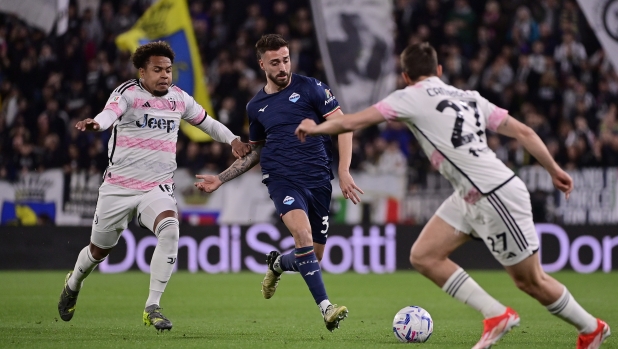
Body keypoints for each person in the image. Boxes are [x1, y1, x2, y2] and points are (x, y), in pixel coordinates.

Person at [294, 42, 610, 349]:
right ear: (439, 70)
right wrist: (554, 169)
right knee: (424, 255)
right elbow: (524, 132)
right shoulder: (470, 97)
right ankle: (496, 314)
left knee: (532, 281)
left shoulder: (409, 97)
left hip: (495, 193)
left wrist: (316, 127)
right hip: (471, 193)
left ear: (405, 76)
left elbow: (354, 121)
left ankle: (591, 328)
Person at [57, 41, 251, 332]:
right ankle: (73, 284)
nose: (164, 75)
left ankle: (152, 307)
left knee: (170, 229)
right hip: (118, 188)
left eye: (168, 70)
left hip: (156, 187)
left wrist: (233, 140)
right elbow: (109, 113)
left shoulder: (179, 99)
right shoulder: (128, 93)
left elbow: (207, 123)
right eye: (157, 70)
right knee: (98, 252)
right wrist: (97, 124)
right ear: (142, 72)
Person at [194, 34, 363, 332]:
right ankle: (326, 308)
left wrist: (345, 170)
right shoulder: (255, 106)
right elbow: (256, 150)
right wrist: (221, 179)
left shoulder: (311, 87)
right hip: (283, 180)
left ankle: (276, 265)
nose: (283, 67)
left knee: (314, 255)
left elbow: (344, 124)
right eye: (275, 62)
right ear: (262, 65)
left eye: (286, 60)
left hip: (319, 180)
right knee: (302, 234)